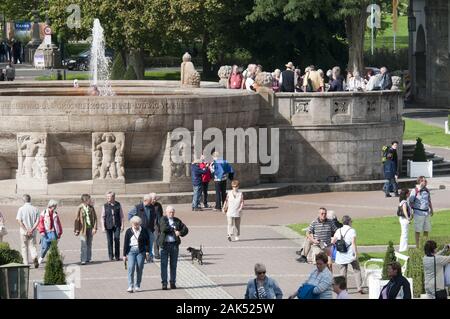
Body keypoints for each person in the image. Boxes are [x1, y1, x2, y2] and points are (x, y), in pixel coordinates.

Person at [331, 215, 363, 294]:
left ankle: (344, 289)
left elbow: (333, 242)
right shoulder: (352, 231)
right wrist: (356, 254)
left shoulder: (338, 230)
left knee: (342, 272)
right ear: (349, 222)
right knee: (357, 270)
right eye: (351, 221)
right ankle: (359, 287)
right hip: (350, 254)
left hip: (341, 254)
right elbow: (353, 243)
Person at [159, 206, 189, 290]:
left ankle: (173, 282)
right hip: (165, 245)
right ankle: (164, 283)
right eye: (170, 212)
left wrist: (180, 232)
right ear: (166, 212)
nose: (171, 214)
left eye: (172, 212)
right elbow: (164, 228)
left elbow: (186, 229)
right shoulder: (163, 219)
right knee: (163, 265)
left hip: (174, 245)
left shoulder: (177, 220)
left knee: (173, 265)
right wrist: (173, 229)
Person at [123, 216, 150, 293]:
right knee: (131, 268)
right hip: (131, 251)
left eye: (137, 224)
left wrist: (147, 251)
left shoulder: (144, 230)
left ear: (139, 223)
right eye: (134, 224)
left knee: (139, 268)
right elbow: (125, 243)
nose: (136, 226)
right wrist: (124, 255)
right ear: (132, 224)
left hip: (141, 251)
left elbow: (147, 242)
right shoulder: (128, 231)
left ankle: (137, 285)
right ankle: (130, 286)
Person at [128, 194, 157, 262]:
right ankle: (142, 257)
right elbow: (130, 214)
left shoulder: (152, 207)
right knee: (142, 244)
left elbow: (154, 216)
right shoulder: (137, 207)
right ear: (145, 201)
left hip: (150, 229)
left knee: (150, 242)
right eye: (150, 201)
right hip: (141, 229)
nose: (151, 203)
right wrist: (133, 223)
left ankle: (149, 257)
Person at [16, 194, 40, 268]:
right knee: (32, 246)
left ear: (23, 200)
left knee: (24, 247)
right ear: (30, 199)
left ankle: (26, 263)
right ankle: (34, 256)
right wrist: (32, 229)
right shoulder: (35, 209)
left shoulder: (21, 209)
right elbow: (38, 221)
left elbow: (19, 221)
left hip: (24, 232)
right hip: (33, 231)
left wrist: (26, 230)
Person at [409, 176, 433, 248]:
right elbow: (410, 201)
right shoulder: (415, 190)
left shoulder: (427, 190)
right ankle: (417, 246)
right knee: (418, 230)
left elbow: (429, 200)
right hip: (418, 213)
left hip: (426, 213)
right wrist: (411, 211)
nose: (426, 182)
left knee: (426, 230)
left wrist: (431, 209)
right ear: (420, 182)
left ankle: (425, 246)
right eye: (424, 181)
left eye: (426, 181)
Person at [74, 194, 98, 265]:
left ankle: (88, 258)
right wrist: (76, 230)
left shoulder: (91, 208)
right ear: (85, 200)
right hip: (82, 229)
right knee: (83, 244)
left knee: (89, 243)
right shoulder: (79, 208)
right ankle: (83, 259)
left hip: (90, 228)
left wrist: (95, 228)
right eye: (89, 199)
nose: (90, 200)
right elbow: (77, 219)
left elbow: (95, 218)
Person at [38, 200, 63, 264]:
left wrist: (59, 232)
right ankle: (41, 257)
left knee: (53, 247)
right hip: (46, 233)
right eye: (54, 206)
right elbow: (40, 222)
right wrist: (42, 231)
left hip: (53, 233)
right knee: (45, 247)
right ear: (51, 205)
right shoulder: (43, 213)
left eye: (55, 206)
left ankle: (52, 260)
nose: (55, 207)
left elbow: (58, 223)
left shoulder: (55, 214)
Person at [101, 191, 124, 261]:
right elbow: (102, 217)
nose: (108, 198)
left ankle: (117, 256)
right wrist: (103, 226)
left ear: (113, 197)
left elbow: (121, 216)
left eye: (109, 197)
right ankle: (110, 256)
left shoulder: (118, 204)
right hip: (108, 225)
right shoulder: (105, 206)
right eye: (107, 197)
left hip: (117, 225)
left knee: (117, 239)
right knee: (109, 241)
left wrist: (122, 225)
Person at [149, 193, 164, 260]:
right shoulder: (147, 205)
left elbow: (161, 214)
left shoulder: (158, 205)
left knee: (156, 238)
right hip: (149, 224)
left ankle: (157, 254)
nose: (154, 200)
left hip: (156, 225)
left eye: (155, 199)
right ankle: (148, 254)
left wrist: (161, 223)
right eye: (153, 199)